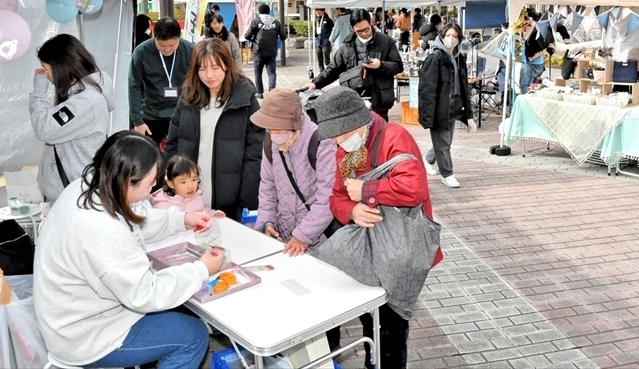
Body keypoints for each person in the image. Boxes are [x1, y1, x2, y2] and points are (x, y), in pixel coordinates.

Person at [34, 131, 224, 369]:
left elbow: (133, 216)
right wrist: (201, 269)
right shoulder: (102, 228)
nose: (155, 185)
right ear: (127, 181)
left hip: (71, 320)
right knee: (193, 336)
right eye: (151, 181)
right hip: (86, 337)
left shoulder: (90, 184)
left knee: (173, 313)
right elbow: (146, 293)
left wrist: (181, 220)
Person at [312, 86, 443, 369]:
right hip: (365, 252)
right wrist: (352, 210)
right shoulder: (344, 151)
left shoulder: (395, 137)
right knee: (369, 316)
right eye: (333, 135)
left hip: (400, 249)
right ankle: (374, 362)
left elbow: (415, 189)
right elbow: (336, 197)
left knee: (391, 323)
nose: (337, 141)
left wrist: (367, 190)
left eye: (341, 134)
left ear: (357, 124)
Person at [164, 38, 264, 221]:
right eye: (202, 69)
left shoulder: (244, 97)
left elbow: (256, 152)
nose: (209, 75)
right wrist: (170, 183)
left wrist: (247, 197)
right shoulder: (188, 97)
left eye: (215, 68)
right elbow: (173, 142)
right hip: (189, 196)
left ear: (227, 65)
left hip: (230, 200)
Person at [30, 34, 115, 204]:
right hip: (73, 190)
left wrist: (38, 92)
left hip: (74, 194)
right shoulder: (81, 94)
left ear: (60, 66)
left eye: (45, 67)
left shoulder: (85, 101)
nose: (45, 74)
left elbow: (45, 128)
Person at [250, 88, 337, 255]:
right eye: (270, 131)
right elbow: (268, 186)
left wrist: (303, 235)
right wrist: (267, 222)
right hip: (284, 237)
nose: (274, 135)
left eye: (279, 131)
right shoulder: (271, 141)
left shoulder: (321, 142)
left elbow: (328, 197)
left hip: (318, 240)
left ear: (295, 124)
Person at [305, 9, 403, 121]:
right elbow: (333, 70)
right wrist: (315, 83)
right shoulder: (347, 46)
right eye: (359, 31)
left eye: (366, 29)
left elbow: (398, 66)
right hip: (353, 100)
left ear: (370, 22)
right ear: (353, 29)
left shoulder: (386, 41)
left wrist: (380, 65)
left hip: (379, 99)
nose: (364, 33)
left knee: (379, 134)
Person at [418, 23, 476, 189]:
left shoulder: (459, 58)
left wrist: (469, 115)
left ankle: (428, 159)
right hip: (439, 109)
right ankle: (447, 174)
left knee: (445, 142)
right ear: (442, 36)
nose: (452, 39)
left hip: (454, 107)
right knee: (443, 144)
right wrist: (427, 116)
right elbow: (427, 90)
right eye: (449, 35)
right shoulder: (435, 58)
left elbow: (465, 88)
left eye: (455, 36)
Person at [129, 17, 195, 145]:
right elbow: (134, 86)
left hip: (183, 113)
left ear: (179, 38)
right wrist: (137, 121)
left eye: (172, 45)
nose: (167, 49)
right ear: (154, 37)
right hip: (151, 115)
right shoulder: (142, 52)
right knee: (148, 158)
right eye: (161, 45)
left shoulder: (190, 51)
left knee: (181, 159)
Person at [150, 154, 226, 218]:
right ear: (171, 183)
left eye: (194, 179)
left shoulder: (197, 197)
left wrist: (214, 214)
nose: (190, 186)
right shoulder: (161, 205)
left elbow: (203, 210)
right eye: (183, 182)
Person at [244, 4, 287, 99]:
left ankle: (259, 92)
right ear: (269, 11)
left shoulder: (256, 21)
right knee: (271, 72)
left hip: (258, 51)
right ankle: (272, 91)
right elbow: (284, 36)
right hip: (272, 51)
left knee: (258, 72)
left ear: (259, 11)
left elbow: (246, 36)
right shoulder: (276, 22)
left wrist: (253, 40)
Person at [519, 8, 546, 94]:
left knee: (525, 87)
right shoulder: (541, 29)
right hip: (539, 63)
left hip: (530, 64)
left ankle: (525, 106)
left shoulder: (531, 26)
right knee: (534, 88)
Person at [314, 7, 334, 72]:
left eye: (318, 11)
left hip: (326, 41)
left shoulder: (328, 20)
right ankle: (321, 72)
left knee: (326, 55)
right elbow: (315, 30)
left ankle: (329, 71)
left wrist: (331, 39)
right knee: (318, 55)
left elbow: (332, 30)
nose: (317, 13)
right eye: (316, 11)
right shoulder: (316, 20)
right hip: (318, 42)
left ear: (323, 11)